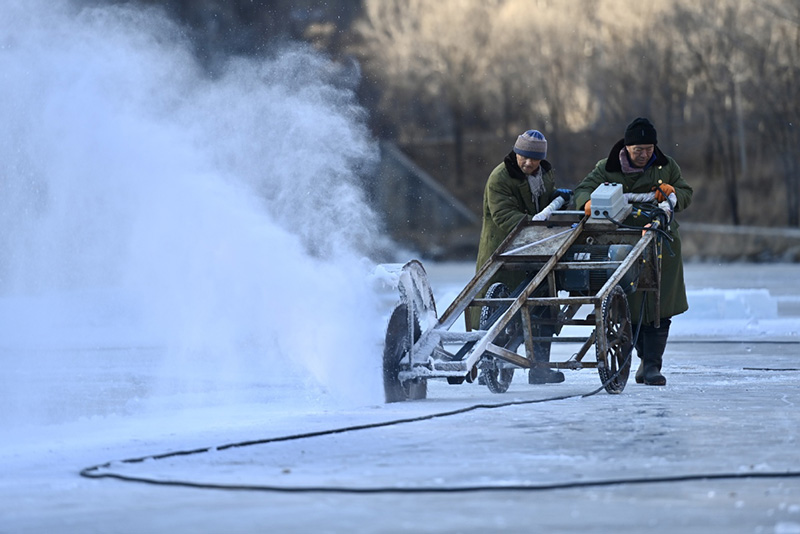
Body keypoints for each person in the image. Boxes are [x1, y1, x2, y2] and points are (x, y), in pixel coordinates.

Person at [573, 117, 693, 386]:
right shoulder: (607, 168)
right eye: (638, 149)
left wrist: (674, 193)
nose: (644, 154)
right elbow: (581, 190)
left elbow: (686, 192)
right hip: (621, 241)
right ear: (626, 148)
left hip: (661, 241)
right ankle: (634, 358)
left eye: (649, 148)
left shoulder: (666, 166)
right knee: (630, 304)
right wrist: (587, 202)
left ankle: (651, 365)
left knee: (660, 306)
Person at [474, 129, 572, 384]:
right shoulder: (500, 178)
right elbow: (506, 217)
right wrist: (539, 225)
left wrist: (557, 199)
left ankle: (540, 368)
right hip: (505, 253)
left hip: (536, 252)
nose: (528, 163)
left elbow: (540, 203)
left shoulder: (544, 174)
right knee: (502, 311)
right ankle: (490, 364)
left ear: (541, 160)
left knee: (544, 308)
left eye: (534, 159)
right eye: (523, 156)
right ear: (516, 153)